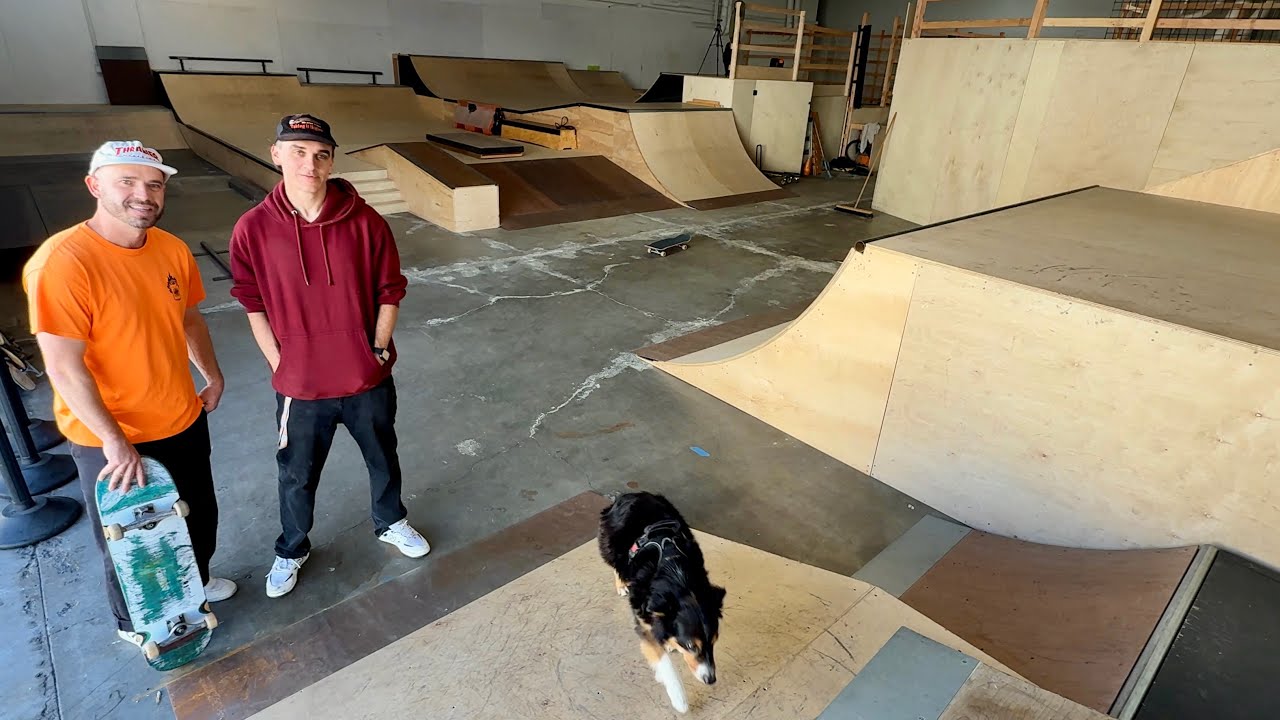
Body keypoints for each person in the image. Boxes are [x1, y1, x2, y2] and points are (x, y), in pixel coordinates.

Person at [22, 140, 236, 651]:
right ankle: (135, 621)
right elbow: (63, 367)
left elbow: (188, 319)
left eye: (154, 184)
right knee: (128, 541)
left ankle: (195, 581)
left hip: (181, 415)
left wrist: (212, 373)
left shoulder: (171, 249)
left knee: (197, 514)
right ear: (95, 186)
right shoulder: (63, 263)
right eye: (128, 182)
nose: (144, 194)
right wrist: (114, 442)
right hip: (112, 439)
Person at [228, 114, 429, 600]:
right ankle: (292, 548)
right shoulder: (253, 228)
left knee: (383, 457)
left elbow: (390, 289)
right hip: (301, 384)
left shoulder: (366, 221)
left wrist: (377, 348)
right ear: (276, 154)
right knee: (295, 474)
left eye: (320, 154)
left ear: (331, 160)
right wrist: (279, 362)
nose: (309, 163)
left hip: (366, 376)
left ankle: (391, 521)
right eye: (296, 151)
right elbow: (250, 300)